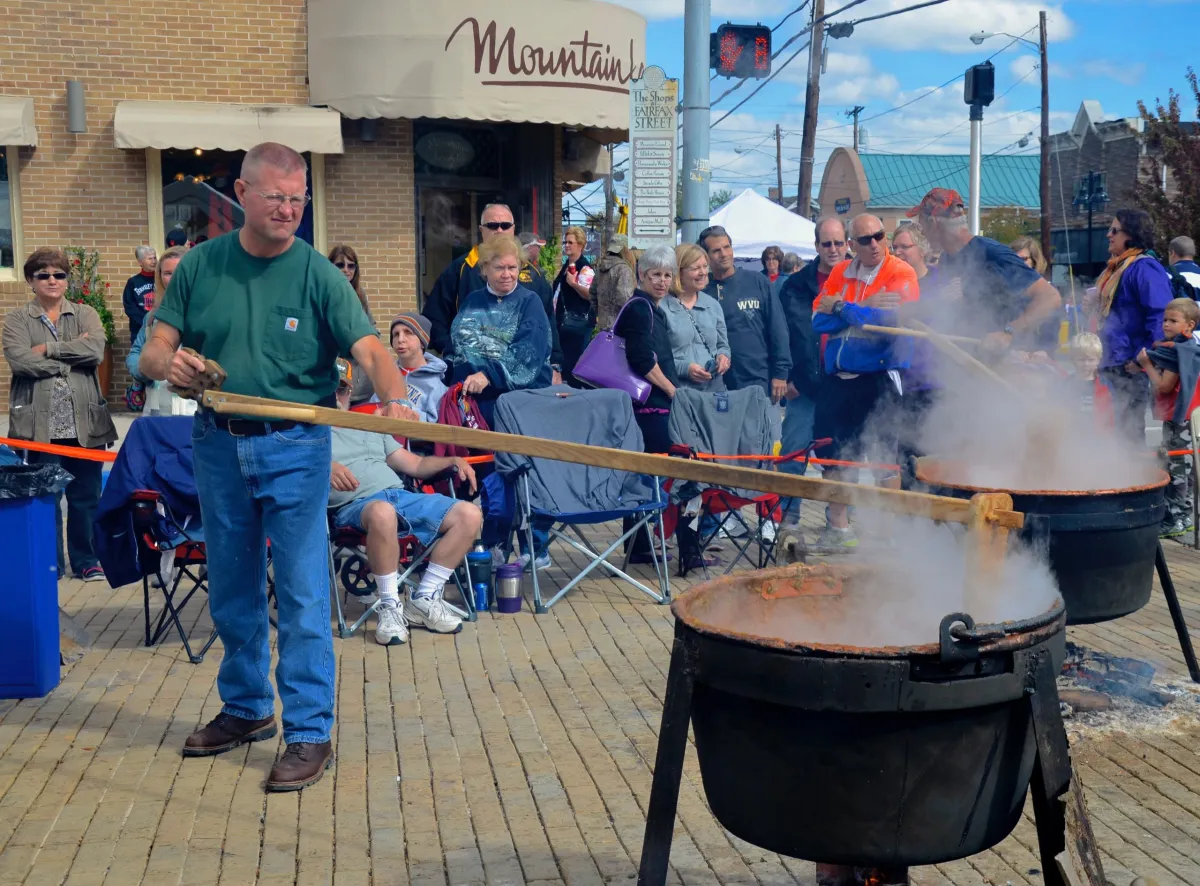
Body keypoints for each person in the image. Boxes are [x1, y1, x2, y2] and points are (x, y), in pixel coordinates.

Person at [139, 141, 416, 793]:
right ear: (241, 193)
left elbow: (369, 346)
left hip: (296, 447)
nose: (289, 209)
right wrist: (167, 365)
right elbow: (152, 351)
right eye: (276, 197)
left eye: (299, 199)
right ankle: (246, 709)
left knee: (300, 593)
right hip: (216, 444)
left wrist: (397, 395)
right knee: (233, 588)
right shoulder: (202, 267)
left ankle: (311, 731)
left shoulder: (318, 273)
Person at [329, 369, 481, 645]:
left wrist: (452, 460)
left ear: (349, 393)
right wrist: (326, 467)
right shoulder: (310, 433)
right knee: (381, 512)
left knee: (469, 514)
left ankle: (424, 598)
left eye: (340, 389)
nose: (333, 396)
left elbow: (416, 465)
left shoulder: (369, 426)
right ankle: (389, 605)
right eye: (327, 390)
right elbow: (294, 466)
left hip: (400, 497)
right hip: (355, 506)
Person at [3, 247, 118, 582]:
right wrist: (71, 358)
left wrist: (50, 349)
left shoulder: (85, 314)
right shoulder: (17, 320)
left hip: (86, 425)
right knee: (45, 498)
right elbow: (20, 360)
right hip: (38, 427)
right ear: (31, 281)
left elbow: (95, 350)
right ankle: (49, 564)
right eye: (44, 275)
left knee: (85, 498)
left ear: (67, 280)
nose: (52, 280)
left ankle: (87, 561)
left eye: (59, 274)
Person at [811, 214, 921, 549]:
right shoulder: (839, 271)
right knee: (834, 452)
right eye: (864, 239)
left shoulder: (900, 271)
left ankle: (887, 535)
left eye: (878, 236)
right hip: (837, 378)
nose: (873, 243)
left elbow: (888, 321)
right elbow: (817, 320)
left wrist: (844, 308)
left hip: (878, 378)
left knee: (884, 456)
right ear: (851, 244)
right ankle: (839, 529)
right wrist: (861, 310)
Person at [448, 233, 553, 571]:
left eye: (513, 267)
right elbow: (459, 345)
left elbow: (529, 355)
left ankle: (531, 545)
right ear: (485, 269)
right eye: (500, 267)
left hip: (518, 402)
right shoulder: (473, 301)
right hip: (477, 404)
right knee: (487, 475)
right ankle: (490, 543)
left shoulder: (529, 302)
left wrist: (489, 373)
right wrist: (470, 375)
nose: (507, 274)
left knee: (519, 473)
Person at [909, 188, 1061, 354]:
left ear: (934, 223)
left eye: (921, 224)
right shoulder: (947, 259)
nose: (921, 231)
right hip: (968, 361)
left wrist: (1008, 333)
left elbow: (1050, 297)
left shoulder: (993, 253)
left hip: (1006, 364)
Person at [423, 203, 562, 383]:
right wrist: (451, 353)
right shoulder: (460, 270)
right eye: (492, 225)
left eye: (505, 225)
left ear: (513, 229)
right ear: (481, 230)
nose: (499, 230)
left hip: (519, 384)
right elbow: (434, 317)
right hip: (471, 382)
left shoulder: (534, 278)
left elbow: (548, 324)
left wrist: (555, 365)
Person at [1083, 209, 1173, 444]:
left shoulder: (1144, 268)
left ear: (1131, 234)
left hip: (1129, 365)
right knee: (1108, 430)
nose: (1108, 235)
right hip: (1111, 362)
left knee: (1128, 433)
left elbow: (1160, 316)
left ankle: (1133, 479)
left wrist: (1147, 358)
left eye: (1114, 230)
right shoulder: (1116, 268)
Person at [777, 219, 846, 525]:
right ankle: (787, 524)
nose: (833, 249)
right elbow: (782, 334)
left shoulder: (858, 282)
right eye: (827, 243)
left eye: (839, 243)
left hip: (845, 387)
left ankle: (838, 524)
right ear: (817, 246)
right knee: (792, 455)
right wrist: (787, 375)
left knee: (840, 461)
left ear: (847, 244)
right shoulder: (795, 285)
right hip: (803, 386)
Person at [615, 244, 680, 562]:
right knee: (657, 472)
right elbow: (641, 359)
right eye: (656, 274)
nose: (662, 281)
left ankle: (639, 545)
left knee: (644, 473)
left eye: (668, 275)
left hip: (647, 405)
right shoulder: (640, 307)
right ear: (641, 274)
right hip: (648, 406)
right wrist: (671, 390)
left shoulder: (652, 308)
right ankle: (647, 540)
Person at [699, 225, 791, 408]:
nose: (724, 254)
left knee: (757, 435)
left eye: (727, 247)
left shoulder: (757, 281)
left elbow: (778, 328)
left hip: (757, 379)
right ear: (706, 256)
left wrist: (781, 373)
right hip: (715, 382)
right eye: (716, 250)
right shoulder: (702, 290)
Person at [1136, 297, 1200, 537]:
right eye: (1165, 319)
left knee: (1176, 468)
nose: (1166, 324)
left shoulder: (1177, 353)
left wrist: (1147, 364)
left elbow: (1164, 386)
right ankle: (1184, 515)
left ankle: (1176, 518)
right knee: (1185, 467)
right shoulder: (1180, 348)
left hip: (1177, 418)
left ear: (1189, 325)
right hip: (1183, 417)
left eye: (1173, 320)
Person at [126, 245, 194, 417]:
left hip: (196, 412)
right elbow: (134, 354)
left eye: (180, 271)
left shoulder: (209, 314)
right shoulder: (152, 317)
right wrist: (148, 369)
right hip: (157, 411)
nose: (174, 278)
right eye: (168, 273)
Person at [663, 243, 730, 393]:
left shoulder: (713, 305)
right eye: (695, 268)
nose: (703, 272)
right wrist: (685, 369)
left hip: (714, 391)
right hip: (678, 393)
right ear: (678, 272)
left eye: (705, 266)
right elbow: (654, 357)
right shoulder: (661, 307)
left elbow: (723, 345)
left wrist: (723, 357)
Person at [327, 244, 375, 405]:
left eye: (351, 265)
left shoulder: (361, 294)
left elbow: (372, 330)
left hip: (361, 381)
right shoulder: (324, 294)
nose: (346, 270)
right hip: (335, 377)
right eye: (340, 265)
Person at [386, 312, 447, 424]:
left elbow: (436, 424)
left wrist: (405, 411)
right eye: (396, 334)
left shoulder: (437, 385)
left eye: (408, 333)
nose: (400, 339)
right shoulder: (387, 376)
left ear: (422, 342)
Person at [553, 226, 595, 386]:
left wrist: (573, 284)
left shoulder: (584, 268)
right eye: (565, 242)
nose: (567, 245)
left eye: (571, 242)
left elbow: (590, 295)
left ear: (581, 245)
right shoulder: (567, 266)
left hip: (576, 325)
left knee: (573, 366)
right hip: (564, 325)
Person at [591, 233, 637, 331]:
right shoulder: (624, 269)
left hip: (603, 326)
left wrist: (599, 313)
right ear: (626, 250)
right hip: (621, 327)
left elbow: (592, 294)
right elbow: (625, 300)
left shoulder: (601, 268)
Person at [122, 245, 157, 344]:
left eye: (154, 258)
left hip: (159, 328)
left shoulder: (162, 279)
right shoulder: (133, 282)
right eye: (150, 258)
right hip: (139, 330)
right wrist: (145, 322)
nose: (154, 261)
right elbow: (129, 306)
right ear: (140, 262)